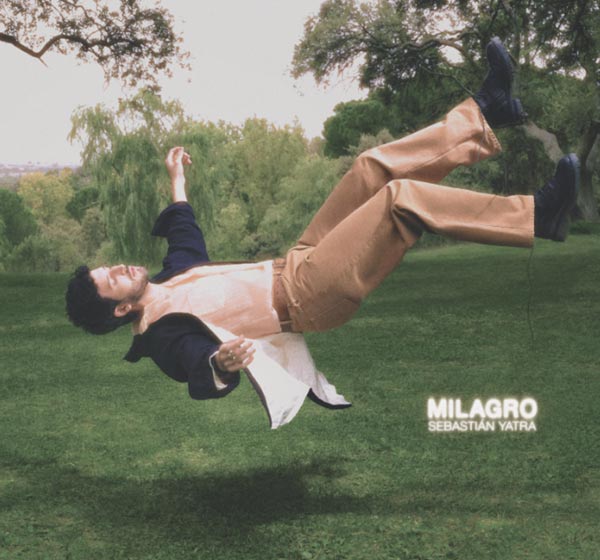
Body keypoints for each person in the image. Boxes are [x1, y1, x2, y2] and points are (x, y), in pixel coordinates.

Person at [65, 38, 580, 425]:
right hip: (307, 297)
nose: (120, 266)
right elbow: (194, 367)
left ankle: (486, 112)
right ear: (120, 310)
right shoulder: (161, 336)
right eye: (112, 278)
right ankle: (537, 215)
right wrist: (221, 361)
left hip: (297, 262)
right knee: (399, 201)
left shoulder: (169, 278)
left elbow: (184, 233)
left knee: (370, 168)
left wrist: (176, 179)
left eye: (110, 266)